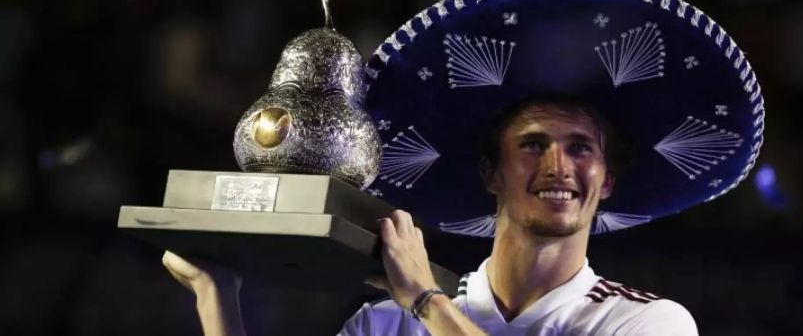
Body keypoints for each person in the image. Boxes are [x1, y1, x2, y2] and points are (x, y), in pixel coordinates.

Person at [163, 96, 698, 335]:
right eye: (533, 145)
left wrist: (425, 300)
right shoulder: (385, 323)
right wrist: (218, 297)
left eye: (581, 148)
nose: (559, 166)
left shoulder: (646, 324)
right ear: (492, 174)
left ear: (606, 182)